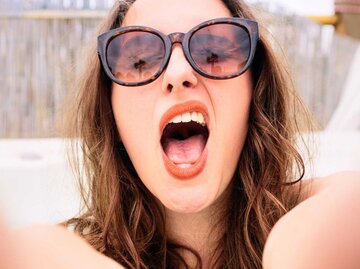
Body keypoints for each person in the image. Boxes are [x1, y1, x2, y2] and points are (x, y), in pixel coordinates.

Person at [2, 0, 360, 268]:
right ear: (113, 120)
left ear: (254, 98)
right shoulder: (58, 253)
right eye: (140, 61)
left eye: (215, 51)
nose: (178, 71)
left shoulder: (331, 214)